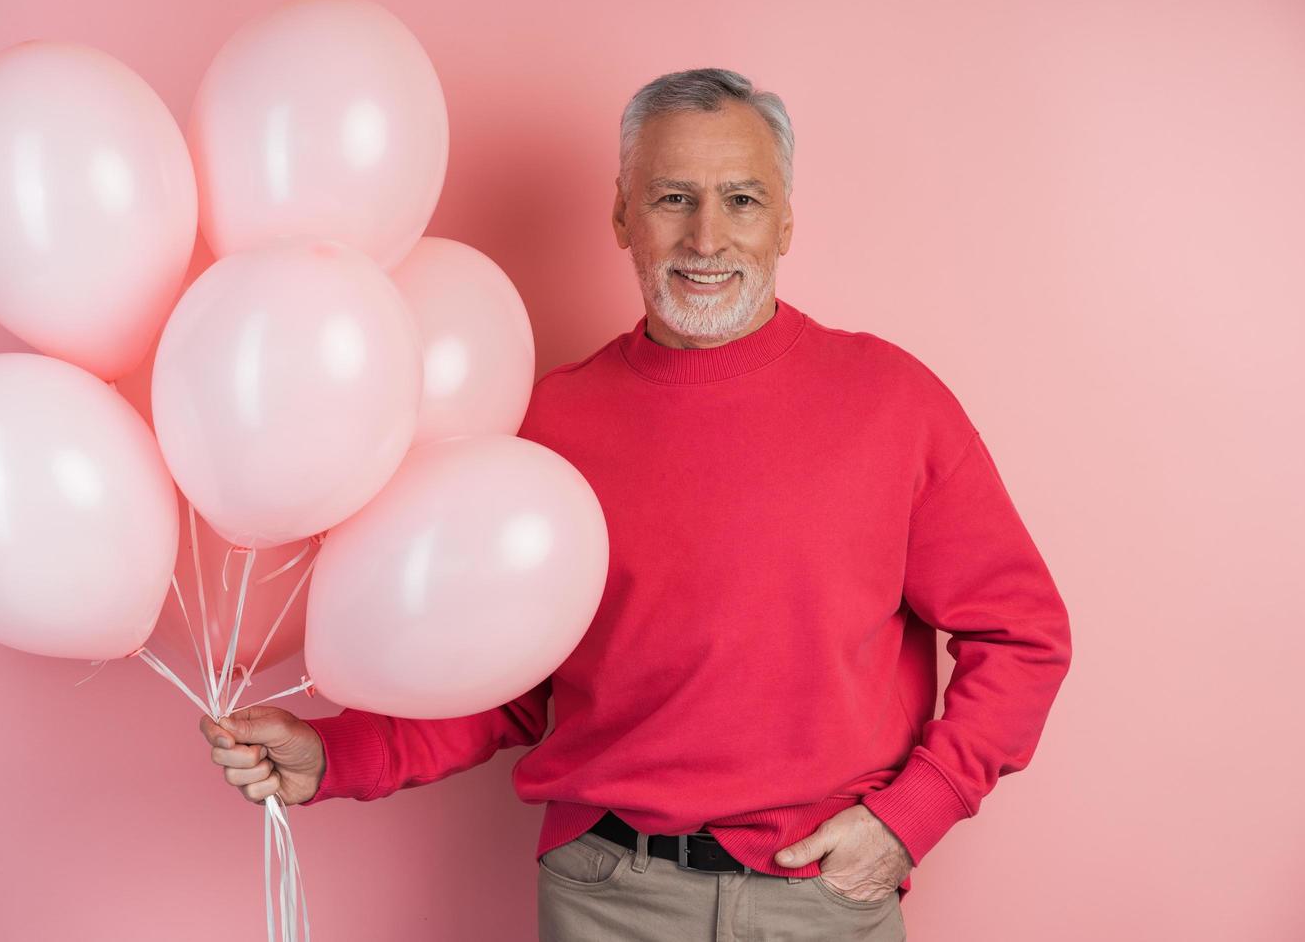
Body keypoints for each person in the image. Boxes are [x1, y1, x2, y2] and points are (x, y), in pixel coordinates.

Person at [198, 67, 1073, 941]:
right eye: (671, 198)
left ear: (786, 221)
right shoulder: (549, 422)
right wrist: (340, 754)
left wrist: (913, 815)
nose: (706, 237)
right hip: (608, 893)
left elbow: (1024, 634)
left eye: (741, 200)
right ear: (622, 214)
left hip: (823, 897)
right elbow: (504, 682)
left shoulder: (893, 403)